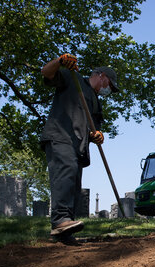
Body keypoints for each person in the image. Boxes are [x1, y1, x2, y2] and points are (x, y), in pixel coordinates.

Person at [40, 53, 119, 244]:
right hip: (60, 136)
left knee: (73, 185)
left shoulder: (96, 101)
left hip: (78, 146)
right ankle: (60, 220)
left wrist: (97, 135)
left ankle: (64, 234)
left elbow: (94, 129)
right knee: (65, 175)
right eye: (109, 84)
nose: (108, 89)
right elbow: (46, 73)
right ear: (102, 76)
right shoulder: (71, 78)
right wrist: (59, 62)